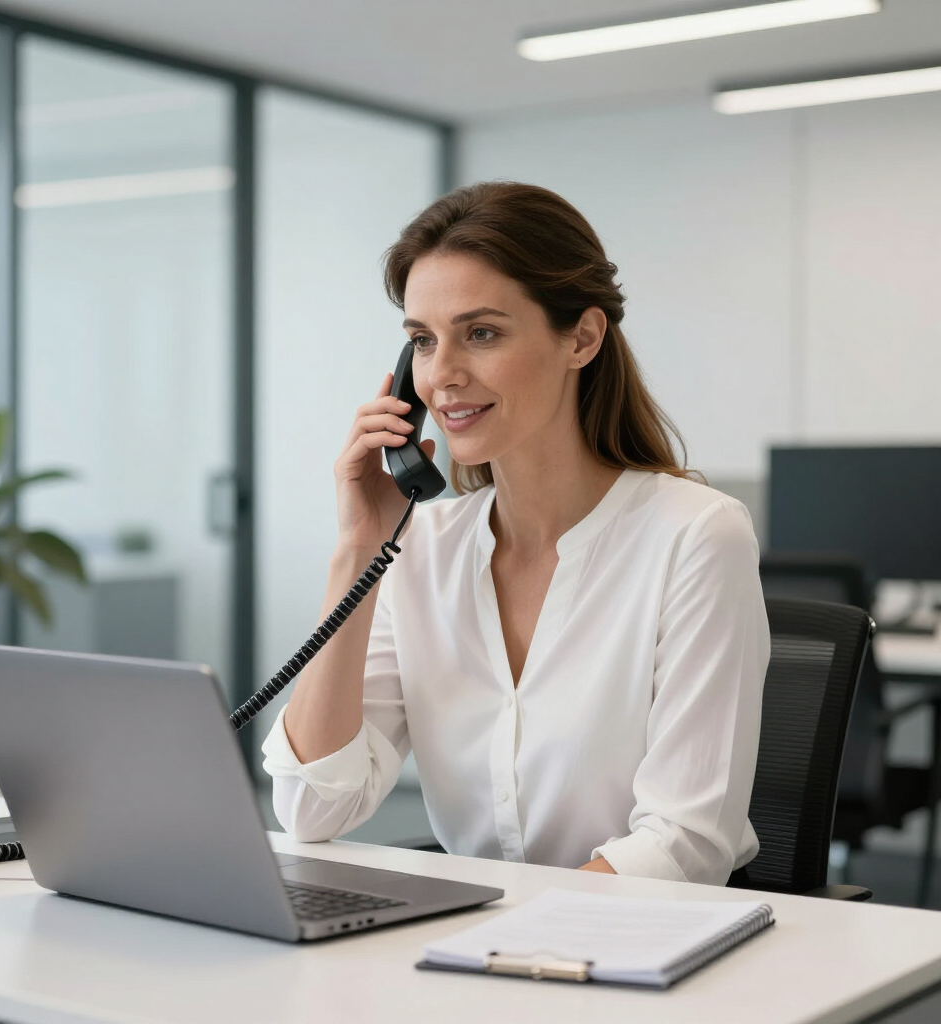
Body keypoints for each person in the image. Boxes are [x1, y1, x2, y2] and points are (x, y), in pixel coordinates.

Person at [261, 181, 769, 885]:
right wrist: (357, 550)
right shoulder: (419, 548)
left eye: (482, 333)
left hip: (630, 951)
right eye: (423, 342)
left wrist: (495, 931)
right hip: (473, 951)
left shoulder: (696, 536)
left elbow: (684, 843)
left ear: (582, 338)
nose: (443, 376)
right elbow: (313, 808)